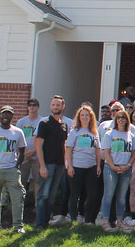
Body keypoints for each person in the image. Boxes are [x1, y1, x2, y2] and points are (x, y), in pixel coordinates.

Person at [34, 95, 71, 229]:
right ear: (50, 106)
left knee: (52, 196)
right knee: (43, 195)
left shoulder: (64, 125)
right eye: (53, 105)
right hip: (47, 164)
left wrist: (66, 163)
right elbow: (38, 145)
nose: (55, 107)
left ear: (63, 107)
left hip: (60, 165)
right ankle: (39, 224)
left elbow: (65, 145)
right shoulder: (44, 123)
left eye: (58, 105)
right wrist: (42, 166)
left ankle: (46, 222)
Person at [100, 109, 135, 230]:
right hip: (111, 168)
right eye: (119, 117)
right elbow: (106, 152)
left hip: (126, 169)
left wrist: (128, 165)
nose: (121, 119)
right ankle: (105, 221)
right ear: (115, 120)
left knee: (121, 196)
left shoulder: (130, 135)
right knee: (108, 194)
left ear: (127, 120)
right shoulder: (109, 134)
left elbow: (134, 153)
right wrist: (113, 166)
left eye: (123, 117)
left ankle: (120, 221)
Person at [65, 106, 102, 225]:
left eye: (87, 115)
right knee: (74, 194)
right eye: (82, 115)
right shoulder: (74, 132)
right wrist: (69, 166)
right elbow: (68, 150)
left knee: (92, 195)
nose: (84, 117)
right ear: (79, 117)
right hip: (76, 166)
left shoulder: (94, 132)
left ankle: (88, 219)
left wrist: (98, 166)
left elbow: (98, 150)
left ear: (91, 117)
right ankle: (73, 219)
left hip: (91, 167)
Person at [16, 98, 44, 206]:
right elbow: (17, 139)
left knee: (37, 181)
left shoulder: (42, 121)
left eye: (34, 105)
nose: (32, 107)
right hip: (24, 156)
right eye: (30, 105)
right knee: (21, 181)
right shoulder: (21, 122)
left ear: (38, 107)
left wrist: (34, 151)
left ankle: (37, 206)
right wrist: (25, 152)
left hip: (37, 156)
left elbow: (44, 140)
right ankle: (20, 206)